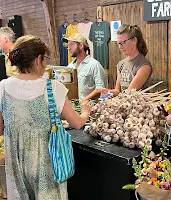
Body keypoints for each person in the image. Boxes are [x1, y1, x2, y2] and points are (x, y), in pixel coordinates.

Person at [0, 35, 93, 199]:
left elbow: (1, 128)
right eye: (46, 59)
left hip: (16, 162)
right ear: (38, 60)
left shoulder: (3, 87)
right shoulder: (52, 88)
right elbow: (77, 123)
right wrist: (85, 111)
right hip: (45, 163)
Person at [99, 24, 152, 96]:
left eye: (123, 42)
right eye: (118, 43)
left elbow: (129, 93)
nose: (120, 47)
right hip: (124, 103)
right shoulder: (121, 64)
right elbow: (117, 90)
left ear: (134, 40)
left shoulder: (144, 66)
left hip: (137, 105)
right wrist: (108, 92)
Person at [62, 33, 106, 101]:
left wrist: (84, 100)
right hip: (74, 106)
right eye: (68, 45)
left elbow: (100, 88)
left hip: (90, 108)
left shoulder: (94, 65)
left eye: (71, 44)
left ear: (81, 46)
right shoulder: (70, 66)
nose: (68, 48)